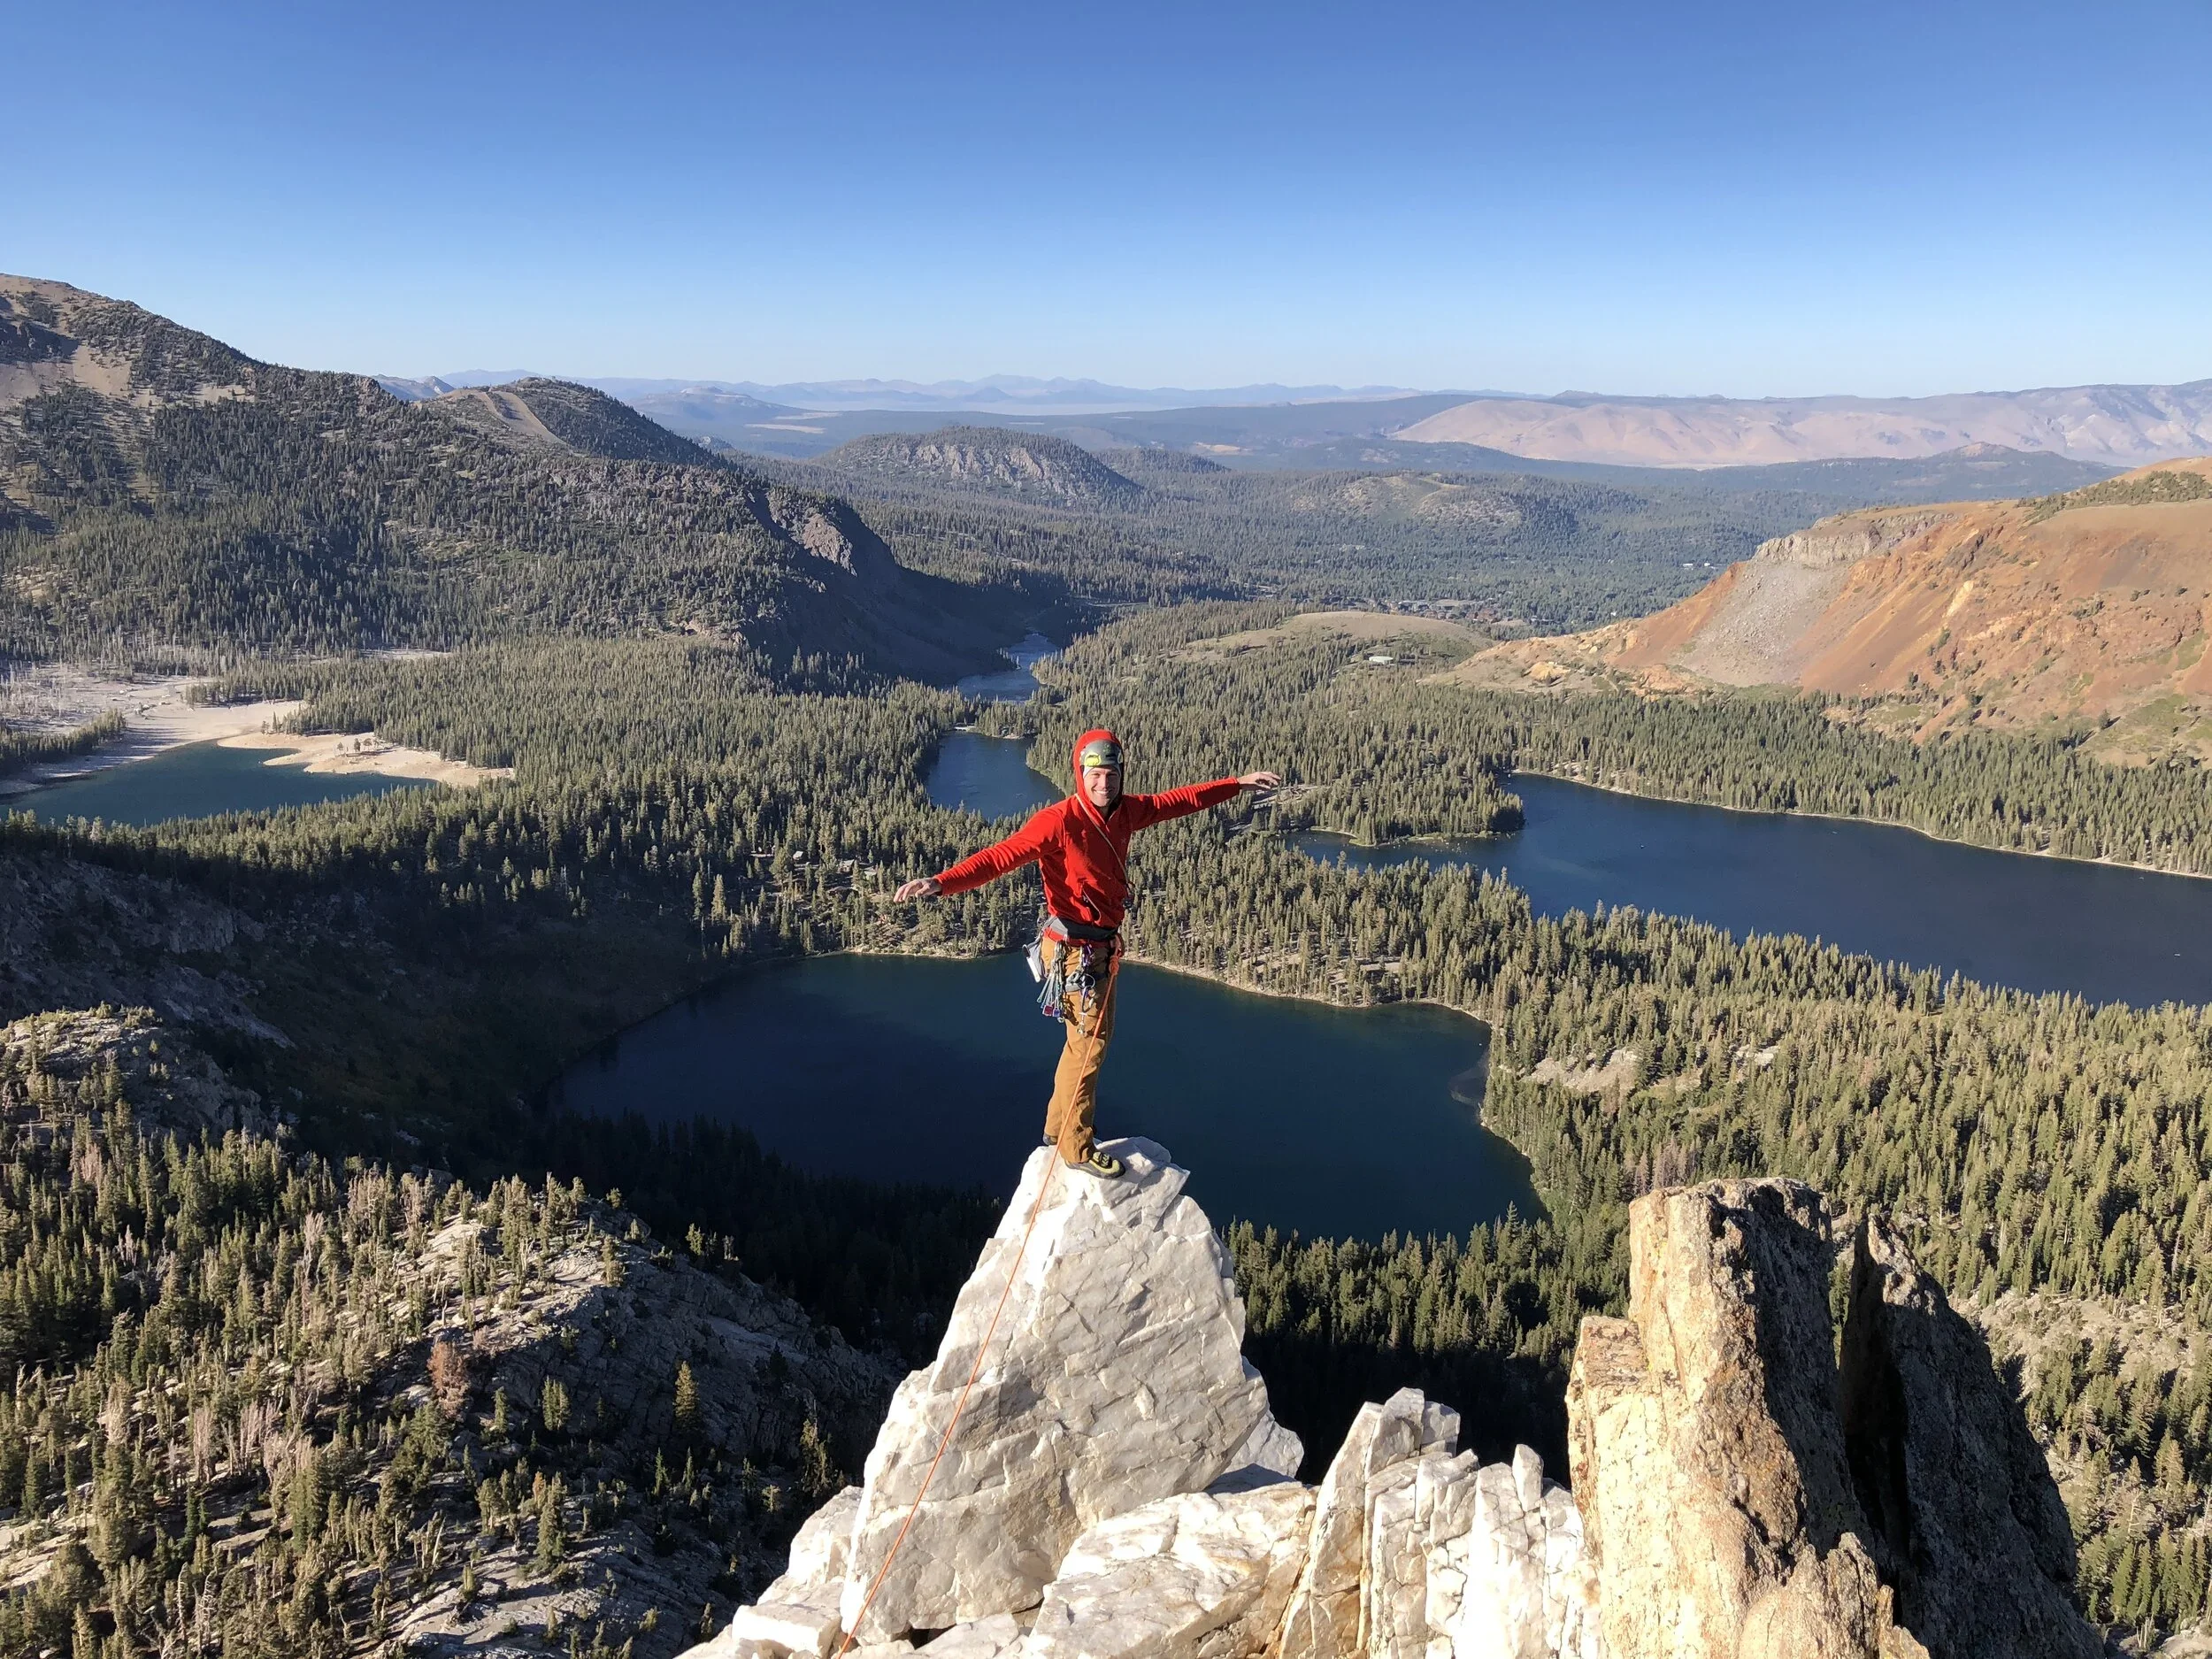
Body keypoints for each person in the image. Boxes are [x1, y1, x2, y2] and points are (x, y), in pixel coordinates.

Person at [895, 728, 1279, 1178]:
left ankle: (1058, 1127)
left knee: (1084, 1043)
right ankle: (1075, 1146)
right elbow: (1003, 856)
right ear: (1081, 774)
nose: (1103, 784)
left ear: (1120, 775)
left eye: (1111, 774)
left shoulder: (1127, 812)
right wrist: (942, 882)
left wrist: (1235, 784)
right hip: (1076, 953)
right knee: (1090, 1047)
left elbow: (1182, 800)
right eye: (1094, 775)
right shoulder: (1057, 821)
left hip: (1098, 948)